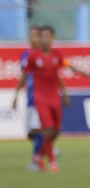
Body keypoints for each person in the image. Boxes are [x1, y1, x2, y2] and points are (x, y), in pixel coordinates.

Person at [13, 25, 90, 172]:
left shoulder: (57, 55)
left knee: (55, 130)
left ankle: (38, 155)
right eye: (41, 36)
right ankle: (52, 160)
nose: (44, 40)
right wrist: (16, 95)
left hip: (54, 97)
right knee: (46, 129)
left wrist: (83, 75)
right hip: (39, 98)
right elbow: (24, 75)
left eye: (47, 36)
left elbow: (65, 69)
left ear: (52, 38)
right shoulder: (33, 57)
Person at [18, 26, 44, 171]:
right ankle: (48, 150)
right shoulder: (25, 54)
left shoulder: (43, 55)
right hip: (29, 96)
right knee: (29, 132)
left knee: (37, 128)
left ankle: (35, 161)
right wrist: (16, 94)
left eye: (34, 36)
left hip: (40, 97)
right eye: (30, 35)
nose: (31, 38)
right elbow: (23, 74)